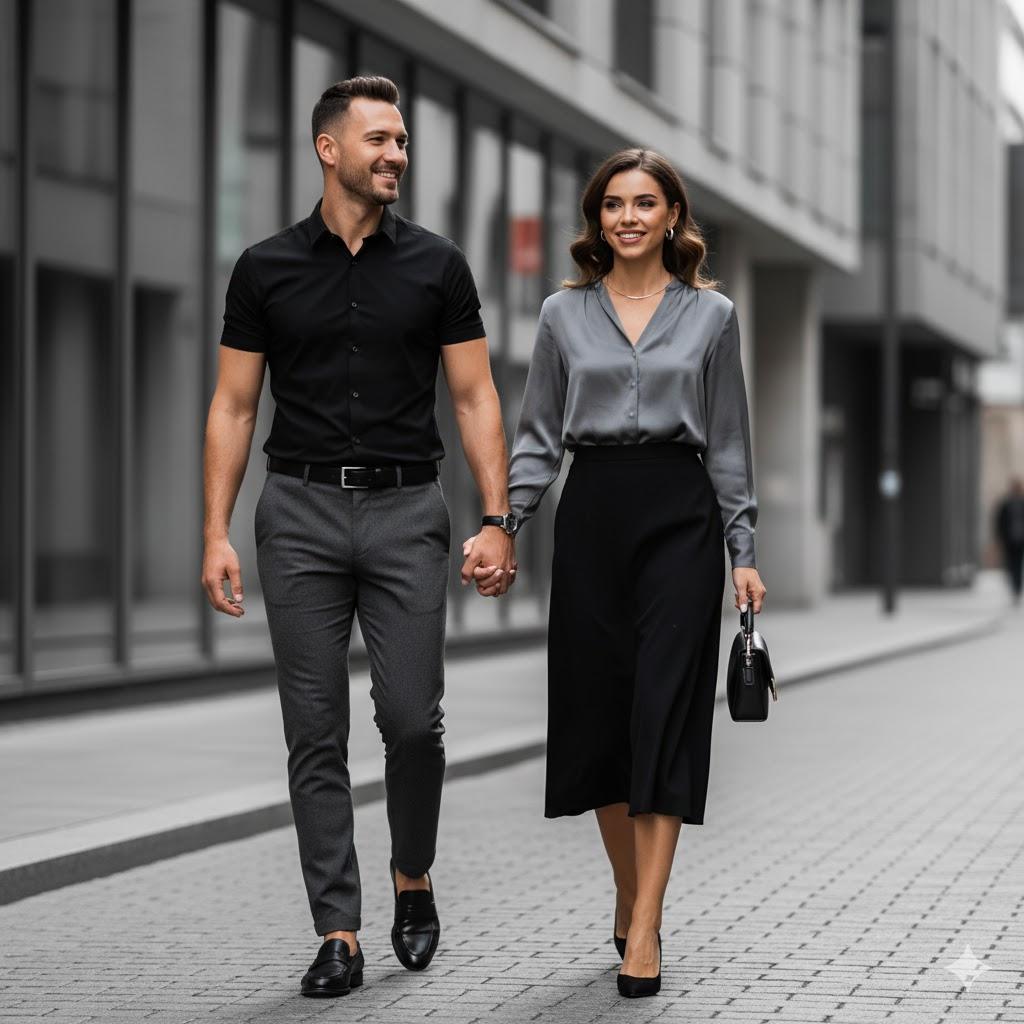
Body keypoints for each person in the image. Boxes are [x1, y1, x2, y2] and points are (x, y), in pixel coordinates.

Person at [201, 76, 518, 998]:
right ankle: (337, 930)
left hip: (407, 512)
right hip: (295, 513)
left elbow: (474, 396)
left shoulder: (438, 266)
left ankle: (410, 875)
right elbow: (231, 403)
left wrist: (497, 519)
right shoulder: (263, 268)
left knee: (413, 721)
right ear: (327, 149)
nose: (396, 156)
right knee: (315, 731)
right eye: (379, 140)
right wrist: (214, 530)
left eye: (403, 142)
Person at [470, 148, 767, 998]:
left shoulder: (712, 317)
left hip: (681, 513)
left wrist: (741, 552)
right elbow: (535, 437)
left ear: (673, 216)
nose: (628, 217)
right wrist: (504, 524)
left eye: (645, 202)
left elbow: (733, 440)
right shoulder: (564, 315)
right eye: (613, 204)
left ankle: (645, 927)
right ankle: (629, 890)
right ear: (596, 219)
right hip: (592, 511)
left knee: (663, 711)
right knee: (600, 718)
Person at [995, 476, 1024, 604]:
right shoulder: (1005, 504)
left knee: (1018, 565)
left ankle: (1017, 589)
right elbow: (999, 522)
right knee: (1010, 565)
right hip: (1009, 540)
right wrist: (999, 538)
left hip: (1021, 540)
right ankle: (1013, 586)